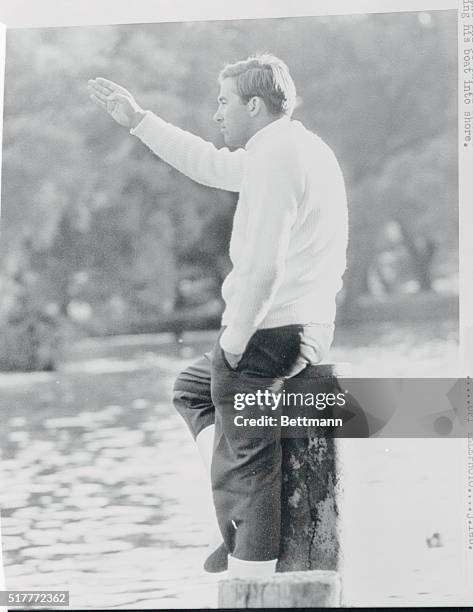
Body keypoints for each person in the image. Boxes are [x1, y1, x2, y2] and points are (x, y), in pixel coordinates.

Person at [88, 54, 348, 578]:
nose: (217, 114)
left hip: (270, 333)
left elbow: (263, 267)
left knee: (246, 466)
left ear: (254, 103)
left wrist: (234, 340)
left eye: (224, 101)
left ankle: (249, 572)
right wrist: (140, 120)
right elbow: (207, 163)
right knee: (192, 388)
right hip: (309, 329)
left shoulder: (276, 159)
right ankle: (236, 524)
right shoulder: (296, 148)